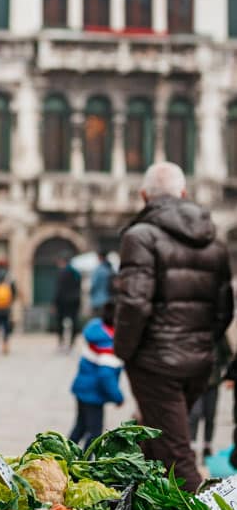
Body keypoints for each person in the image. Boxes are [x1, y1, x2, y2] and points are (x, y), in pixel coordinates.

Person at [115, 161, 233, 492]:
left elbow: (134, 303)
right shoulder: (214, 241)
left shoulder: (140, 237)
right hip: (198, 362)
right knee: (152, 440)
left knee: (177, 457)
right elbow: (224, 310)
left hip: (156, 362)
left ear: (144, 196)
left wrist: (125, 351)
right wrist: (202, 344)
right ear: (184, 193)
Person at [70, 301, 124, 448]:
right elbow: (105, 376)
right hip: (94, 395)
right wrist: (118, 397)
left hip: (82, 389)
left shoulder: (95, 330)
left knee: (80, 427)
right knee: (95, 434)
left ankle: (63, 454)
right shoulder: (109, 345)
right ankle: (84, 463)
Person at [189, 336, 232, 460]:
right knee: (195, 414)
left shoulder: (219, 335)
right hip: (195, 381)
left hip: (213, 383)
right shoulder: (194, 332)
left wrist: (229, 376)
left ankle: (207, 445)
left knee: (210, 415)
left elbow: (227, 356)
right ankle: (191, 445)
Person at [54, 256, 82, 350]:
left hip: (63, 301)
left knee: (60, 321)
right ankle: (72, 342)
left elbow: (59, 289)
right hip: (75, 300)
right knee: (74, 321)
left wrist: (55, 302)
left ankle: (61, 341)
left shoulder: (62, 272)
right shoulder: (76, 272)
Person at [89, 252, 115, 316]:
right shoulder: (110, 269)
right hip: (109, 299)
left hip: (98, 300)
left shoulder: (98, 270)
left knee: (98, 320)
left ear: (99, 257)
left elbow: (94, 284)